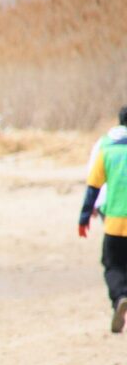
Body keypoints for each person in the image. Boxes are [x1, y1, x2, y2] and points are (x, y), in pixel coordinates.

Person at [79, 105, 127, 333]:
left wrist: (85, 216)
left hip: (114, 218)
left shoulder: (105, 147)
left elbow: (93, 185)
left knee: (113, 264)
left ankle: (120, 297)